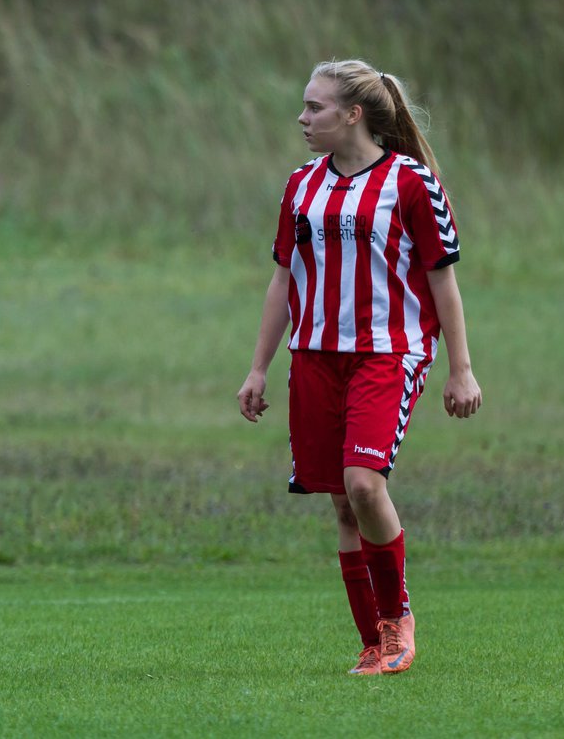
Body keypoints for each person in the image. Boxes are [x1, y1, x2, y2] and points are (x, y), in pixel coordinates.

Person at [237, 59, 482, 676]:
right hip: (315, 357)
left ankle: (398, 622)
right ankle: (373, 642)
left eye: (315, 108)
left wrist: (462, 369)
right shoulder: (301, 186)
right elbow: (282, 280)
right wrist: (258, 368)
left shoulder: (411, 183)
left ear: (352, 114)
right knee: (342, 505)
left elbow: (442, 282)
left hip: (389, 353)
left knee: (365, 485)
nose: (303, 118)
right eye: (304, 106)